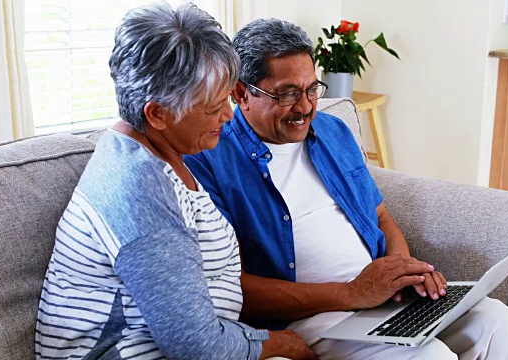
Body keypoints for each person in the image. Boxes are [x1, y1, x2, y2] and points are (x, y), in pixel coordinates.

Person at [184, 18, 508, 360]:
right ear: (241, 93)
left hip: (380, 299)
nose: (304, 107)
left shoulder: (333, 132)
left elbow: (380, 217)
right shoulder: (210, 158)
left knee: (502, 324)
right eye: (288, 93)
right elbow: (234, 287)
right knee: (431, 357)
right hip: (314, 317)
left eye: (311, 89)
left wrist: (400, 270)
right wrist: (352, 294)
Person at [34, 4, 316, 360]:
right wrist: (279, 343)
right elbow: (196, 346)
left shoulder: (157, 152)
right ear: (158, 114)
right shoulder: (137, 190)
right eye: (213, 107)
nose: (228, 115)